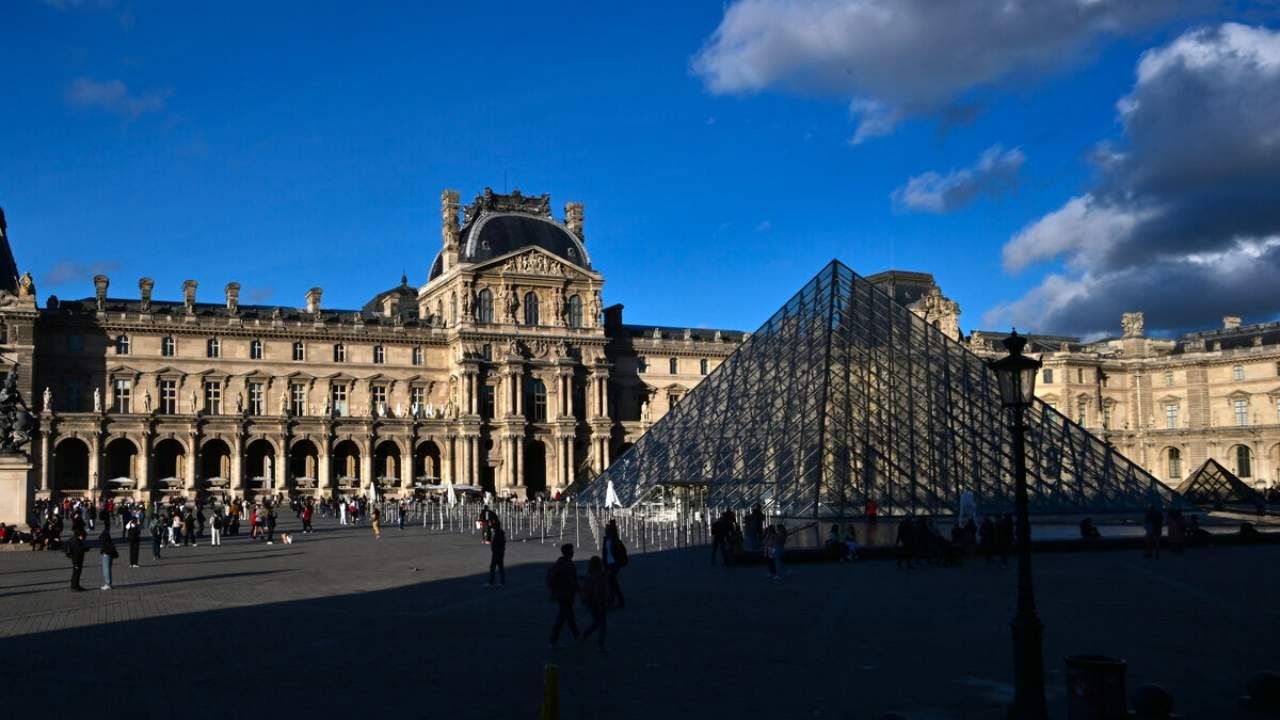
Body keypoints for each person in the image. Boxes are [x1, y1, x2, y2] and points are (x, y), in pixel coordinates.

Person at [547, 543, 580, 647]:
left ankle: (576, 635)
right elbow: (573, 582)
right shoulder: (568, 565)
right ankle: (554, 640)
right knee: (563, 617)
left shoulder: (560, 562)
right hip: (565, 594)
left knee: (567, 615)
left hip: (561, 594)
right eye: (572, 550)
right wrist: (581, 593)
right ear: (569, 553)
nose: (573, 552)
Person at [579, 556, 609, 652]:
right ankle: (600, 645)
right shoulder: (600, 576)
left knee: (597, 622)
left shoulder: (590, 574)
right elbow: (599, 592)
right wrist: (602, 604)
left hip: (591, 603)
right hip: (598, 603)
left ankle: (584, 635)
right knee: (602, 624)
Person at [601, 520, 627, 609]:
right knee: (612, 583)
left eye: (607, 529)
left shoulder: (615, 540)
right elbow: (604, 552)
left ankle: (611, 601)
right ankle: (618, 601)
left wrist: (613, 523)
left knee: (610, 582)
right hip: (608, 564)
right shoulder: (606, 540)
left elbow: (620, 551)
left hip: (614, 564)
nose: (606, 530)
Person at [66, 527, 88, 591]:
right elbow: (79, 549)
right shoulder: (76, 541)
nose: (83, 538)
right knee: (76, 573)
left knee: (77, 572)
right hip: (76, 559)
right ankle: (74, 586)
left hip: (77, 558)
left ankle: (76, 585)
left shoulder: (74, 540)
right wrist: (85, 549)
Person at [487, 518, 506, 587]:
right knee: (500, 567)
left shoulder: (498, 533)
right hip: (499, 551)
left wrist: (496, 549)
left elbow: (500, 543)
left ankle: (491, 582)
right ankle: (502, 581)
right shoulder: (499, 532)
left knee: (493, 567)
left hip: (497, 552)